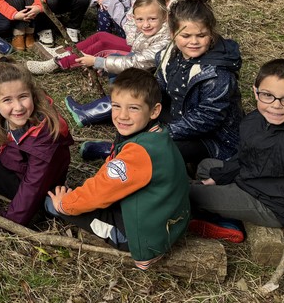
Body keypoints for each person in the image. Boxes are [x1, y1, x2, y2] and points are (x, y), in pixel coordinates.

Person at [46, 68, 190, 270]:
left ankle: (144, 253)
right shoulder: (157, 135)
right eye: (116, 106)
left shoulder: (139, 152)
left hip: (142, 238)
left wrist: (64, 204)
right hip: (168, 221)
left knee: (52, 204)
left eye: (133, 108)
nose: (122, 116)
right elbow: (112, 169)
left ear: (154, 111)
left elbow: (99, 192)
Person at [79, 0, 243, 166]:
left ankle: (129, 158)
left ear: (211, 34)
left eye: (201, 36)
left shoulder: (217, 74)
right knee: (134, 113)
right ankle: (117, 151)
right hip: (178, 114)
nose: (194, 41)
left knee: (156, 148)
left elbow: (208, 118)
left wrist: (163, 132)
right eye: (186, 36)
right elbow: (161, 87)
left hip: (210, 138)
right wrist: (140, 104)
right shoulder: (170, 53)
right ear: (172, 33)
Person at [188, 59, 284, 242]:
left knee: (191, 193)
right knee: (207, 166)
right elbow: (245, 156)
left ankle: (226, 225)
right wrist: (218, 178)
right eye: (267, 95)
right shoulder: (255, 120)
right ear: (256, 92)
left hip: (270, 203)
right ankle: (221, 211)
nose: (276, 105)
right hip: (248, 179)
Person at [0, 58, 73, 225]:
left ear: (32, 94)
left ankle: (38, 209)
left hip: (38, 191)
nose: (18, 107)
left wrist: (10, 221)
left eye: (23, 97)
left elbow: (33, 187)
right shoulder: (2, 117)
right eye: (7, 100)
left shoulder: (44, 138)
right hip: (14, 159)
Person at [27, 0, 170, 81]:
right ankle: (66, 52)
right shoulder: (147, 26)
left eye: (152, 19)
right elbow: (130, 30)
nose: (146, 24)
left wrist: (98, 62)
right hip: (136, 49)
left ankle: (59, 63)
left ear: (165, 17)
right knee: (102, 36)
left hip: (141, 64)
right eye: (140, 19)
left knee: (103, 46)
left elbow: (137, 62)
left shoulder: (165, 38)